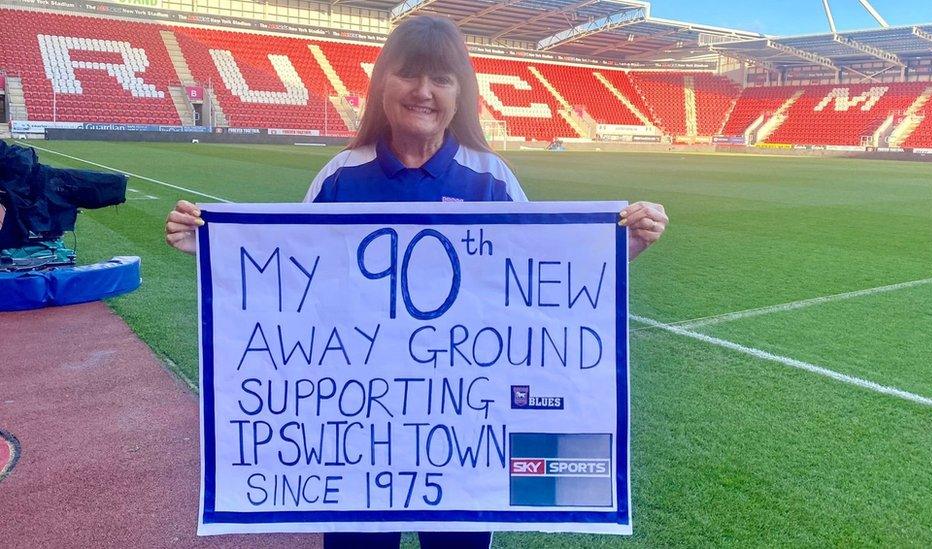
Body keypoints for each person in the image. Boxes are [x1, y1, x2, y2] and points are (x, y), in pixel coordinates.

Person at [164, 15, 668, 548]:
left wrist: (623, 246)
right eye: (408, 75)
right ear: (382, 82)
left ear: (461, 94)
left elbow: (539, 282)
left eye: (442, 79)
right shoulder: (341, 174)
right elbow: (294, 282)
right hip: (357, 428)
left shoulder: (489, 176)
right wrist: (212, 248)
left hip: (463, 429)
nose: (423, 92)